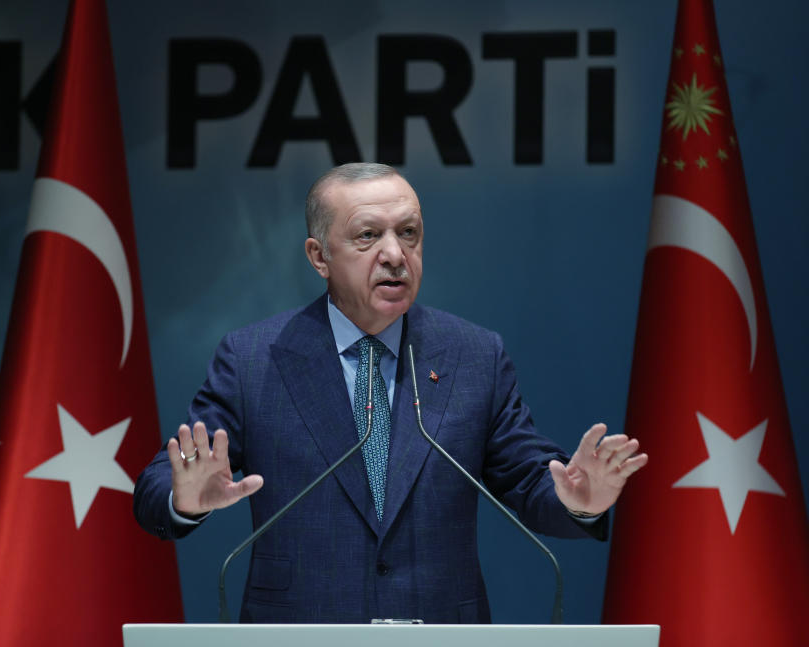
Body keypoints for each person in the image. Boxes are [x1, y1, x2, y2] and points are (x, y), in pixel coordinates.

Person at [133, 163, 648, 623]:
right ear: (319, 256)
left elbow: (530, 479)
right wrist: (187, 499)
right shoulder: (254, 359)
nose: (395, 255)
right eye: (367, 236)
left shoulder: (473, 355)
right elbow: (156, 487)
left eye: (409, 233)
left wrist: (579, 500)